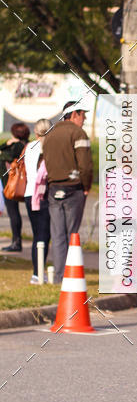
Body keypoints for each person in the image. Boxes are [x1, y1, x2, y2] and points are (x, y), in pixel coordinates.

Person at [43, 102, 93, 283]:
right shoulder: (78, 133)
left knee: (57, 235)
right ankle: (70, 276)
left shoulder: (50, 134)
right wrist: (87, 186)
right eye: (83, 115)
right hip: (74, 189)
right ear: (74, 115)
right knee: (72, 234)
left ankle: (58, 276)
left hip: (54, 188)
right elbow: (85, 166)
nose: (84, 119)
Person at [23, 119, 52, 283]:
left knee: (37, 235)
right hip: (43, 195)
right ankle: (38, 272)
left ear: (36, 132)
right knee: (44, 236)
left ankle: (37, 271)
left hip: (29, 193)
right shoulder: (50, 148)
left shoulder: (29, 147)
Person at [0, 122, 31, 252]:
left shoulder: (15, 146)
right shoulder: (28, 145)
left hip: (11, 184)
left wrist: (7, 144)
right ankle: (17, 241)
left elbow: (3, 155)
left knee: (13, 214)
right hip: (24, 182)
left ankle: (16, 242)